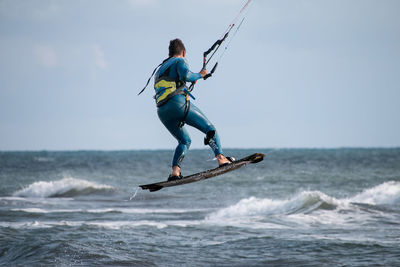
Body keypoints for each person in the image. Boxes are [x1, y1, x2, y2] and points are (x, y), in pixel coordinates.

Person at [154, 38, 232, 181]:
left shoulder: (160, 69)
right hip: (177, 104)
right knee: (209, 128)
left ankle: (175, 172)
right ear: (183, 52)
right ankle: (221, 158)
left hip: (162, 112)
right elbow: (187, 76)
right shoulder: (180, 61)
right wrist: (200, 75)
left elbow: (178, 80)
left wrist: (188, 80)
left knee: (184, 141)